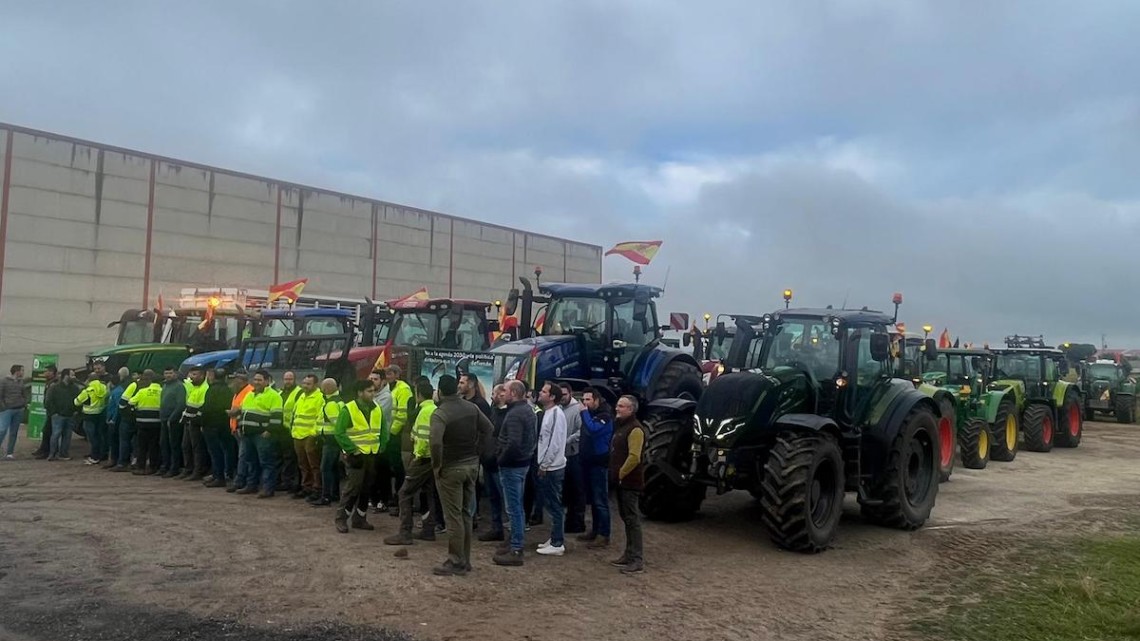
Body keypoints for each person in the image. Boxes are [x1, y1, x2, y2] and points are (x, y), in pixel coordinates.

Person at [429, 374, 494, 576]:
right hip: (471, 466)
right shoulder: (471, 407)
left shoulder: (440, 413)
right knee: (466, 513)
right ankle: (465, 560)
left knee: (453, 516)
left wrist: (437, 465)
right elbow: (489, 428)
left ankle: (456, 560)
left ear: (439, 391)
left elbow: (436, 442)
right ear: (456, 390)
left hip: (451, 468)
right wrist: (477, 451)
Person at [384, 378, 439, 545]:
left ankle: (405, 532)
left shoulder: (424, 411)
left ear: (418, 395)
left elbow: (423, 437)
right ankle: (429, 530)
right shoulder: (434, 409)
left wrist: (418, 456)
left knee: (405, 493)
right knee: (428, 492)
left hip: (423, 458)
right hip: (433, 459)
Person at [492, 380, 538, 567]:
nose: (503, 392)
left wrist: (500, 459)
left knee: (514, 508)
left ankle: (516, 549)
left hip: (512, 466)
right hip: (523, 463)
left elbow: (513, 443)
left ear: (514, 393)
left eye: (506, 390)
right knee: (516, 506)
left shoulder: (515, 414)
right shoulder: (527, 410)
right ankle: (513, 542)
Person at [332, 380, 387, 533]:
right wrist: (352, 449)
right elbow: (339, 432)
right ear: (360, 393)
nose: (373, 394)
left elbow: (383, 430)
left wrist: (381, 446)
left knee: (366, 488)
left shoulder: (377, 409)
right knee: (352, 488)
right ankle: (341, 519)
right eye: (369, 391)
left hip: (371, 454)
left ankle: (360, 518)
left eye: (373, 391)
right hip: (355, 456)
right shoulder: (348, 410)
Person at [230, 370, 284, 498]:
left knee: (266, 462)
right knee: (251, 461)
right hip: (247, 434)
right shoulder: (250, 394)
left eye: (260, 380)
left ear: (267, 381)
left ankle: (267, 489)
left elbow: (277, 417)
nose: (257, 382)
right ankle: (251, 485)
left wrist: (269, 431)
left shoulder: (274, 396)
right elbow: (243, 412)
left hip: (262, 435)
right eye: (255, 380)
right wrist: (238, 423)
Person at [610, 395, 646, 574]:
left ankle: (637, 558)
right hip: (621, 482)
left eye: (622, 406)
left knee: (632, 520)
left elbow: (634, 457)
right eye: (617, 405)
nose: (617, 408)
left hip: (630, 482)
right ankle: (629, 554)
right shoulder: (622, 427)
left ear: (631, 410)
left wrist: (620, 474)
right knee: (626, 518)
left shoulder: (635, 430)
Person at [535, 382, 568, 556]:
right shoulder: (548, 413)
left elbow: (554, 442)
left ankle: (557, 543)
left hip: (552, 467)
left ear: (552, 397)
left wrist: (545, 464)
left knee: (555, 505)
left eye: (544, 391)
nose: (540, 393)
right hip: (547, 465)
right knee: (550, 503)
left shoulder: (556, 414)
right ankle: (555, 536)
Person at [578, 388, 613, 548]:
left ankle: (604, 534)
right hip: (588, 461)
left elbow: (593, 429)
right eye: (583, 400)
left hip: (599, 463)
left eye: (588, 400)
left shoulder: (604, 415)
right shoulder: (592, 414)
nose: (585, 403)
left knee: (601, 500)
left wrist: (584, 413)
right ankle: (595, 530)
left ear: (596, 400)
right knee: (593, 500)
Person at [477, 383, 508, 542]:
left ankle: (510, 535)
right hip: (488, 460)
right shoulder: (493, 411)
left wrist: (499, 457)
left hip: (499, 463)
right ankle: (496, 529)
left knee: (506, 501)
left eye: (495, 393)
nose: (491, 396)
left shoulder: (509, 414)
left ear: (502, 395)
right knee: (493, 498)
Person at [307, 378, 342, 507]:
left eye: (323, 388)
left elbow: (337, 424)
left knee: (325, 468)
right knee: (333, 468)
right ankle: (334, 494)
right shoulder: (338, 401)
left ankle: (326, 496)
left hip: (330, 439)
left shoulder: (331, 404)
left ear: (327, 389)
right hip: (334, 440)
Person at [289, 374, 324, 500]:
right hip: (297, 434)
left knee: (314, 464)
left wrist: (314, 434)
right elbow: (296, 414)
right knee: (302, 464)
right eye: (304, 383)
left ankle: (317, 488)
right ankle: (306, 487)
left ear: (315, 385)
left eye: (308, 384)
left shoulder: (320, 397)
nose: (305, 386)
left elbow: (320, 418)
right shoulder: (302, 396)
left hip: (310, 435)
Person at [201, 368, 236, 488]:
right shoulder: (228, 390)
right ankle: (225, 474)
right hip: (226, 425)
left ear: (213, 377)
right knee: (227, 450)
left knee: (215, 453)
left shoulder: (211, 390)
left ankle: (219, 476)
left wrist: (203, 424)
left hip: (211, 426)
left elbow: (207, 408)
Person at [559, 382, 587, 533]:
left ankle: (577, 523)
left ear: (570, 393)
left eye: (564, 394)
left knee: (577, 490)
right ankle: (570, 522)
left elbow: (580, 431)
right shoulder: (559, 409)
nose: (562, 397)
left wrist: (565, 440)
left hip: (575, 454)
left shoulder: (577, 410)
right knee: (568, 490)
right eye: (560, 394)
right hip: (564, 455)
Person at [128, 370, 164, 475]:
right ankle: (152, 467)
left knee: (142, 446)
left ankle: (141, 467)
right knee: (154, 446)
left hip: (142, 423)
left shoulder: (142, 391)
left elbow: (131, 402)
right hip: (157, 423)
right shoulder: (162, 392)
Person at [226, 372, 254, 493]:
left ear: (241, 381)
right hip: (236, 428)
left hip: (242, 429)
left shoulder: (248, 391)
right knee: (243, 456)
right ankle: (241, 480)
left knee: (243, 456)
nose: (231, 383)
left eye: (234, 380)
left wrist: (234, 416)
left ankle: (240, 481)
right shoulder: (239, 391)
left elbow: (243, 411)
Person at [180, 365, 210, 481]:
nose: (192, 377)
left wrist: (197, 422)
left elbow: (202, 409)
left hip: (196, 424)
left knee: (197, 448)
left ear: (202, 375)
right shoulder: (194, 388)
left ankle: (198, 471)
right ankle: (188, 469)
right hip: (189, 422)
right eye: (191, 374)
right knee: (186, 446)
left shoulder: (204, 389)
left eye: (195, 375)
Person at [45, 368, 80, 461]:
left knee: (67, 436)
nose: (74, 377)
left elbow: (79, 400)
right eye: (72, 375)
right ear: (66, 376)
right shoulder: (54, 387)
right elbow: (48, 401)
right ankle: (52, 454)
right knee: (55, 434)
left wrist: (76, 411)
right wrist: (53, 413)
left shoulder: (75, 388)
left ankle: (63, 454)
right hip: (58, 416)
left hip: (70, 415)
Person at [75, 371, 109, 465]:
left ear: (89, 380)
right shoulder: (104, 387)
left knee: (92, 437)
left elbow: (76, 402)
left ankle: (94, 457)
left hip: (89, 416)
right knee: (99, 436)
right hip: (100, 415)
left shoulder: (87, 391)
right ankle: (101, 454)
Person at [159, 367, 187, 477]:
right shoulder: (165, 385)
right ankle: (165, 466)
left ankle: (174, 468)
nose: (168, 375)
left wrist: (172, 418)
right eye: (166, 373)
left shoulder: (179, 386)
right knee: (164, 444)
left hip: (173, 421)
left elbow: (181, 404)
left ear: (175, 374)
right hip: (164, 419)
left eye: (170, 373)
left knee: (173, 445)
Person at [111, 371, 141, 472]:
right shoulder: (151, 387)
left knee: (124, 440)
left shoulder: (133, 385)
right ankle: (135, 462)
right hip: (140, 418)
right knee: (136, 442)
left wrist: (125, 412)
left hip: (128, 418)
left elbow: (122, 401)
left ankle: (123, 463)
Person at [278, 371, 302, 495]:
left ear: (294, 379)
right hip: (282, 430)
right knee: (284, 457)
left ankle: (289, 482)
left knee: (291, 458)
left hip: (292, 430)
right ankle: (285, 481)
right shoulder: (281, 392)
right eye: (286, 379)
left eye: (290, 379)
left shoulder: (298, 392)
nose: (288, 381)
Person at [0, 364, 28, 460]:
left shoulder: (21, 382)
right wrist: (4, 406)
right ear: (17, 371)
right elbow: (0, 394)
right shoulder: (4, 381)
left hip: (18, 409)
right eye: (22, 370)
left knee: (14, 432)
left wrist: (24, 404)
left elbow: (24, 394)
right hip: (7, 410)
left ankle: (10, 453)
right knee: (2, 430)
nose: (23, 372)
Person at [103, 367, 129, 469]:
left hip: (116, 420)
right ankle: (114, 459)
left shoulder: (117, 392)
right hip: (112, 419)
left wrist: (113, 419)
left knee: (115, 441)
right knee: (112, 440)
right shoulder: (115, 391)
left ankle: (116, 460)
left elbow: (118, 407)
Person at [33, 365, 58, 459]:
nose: (44, 373)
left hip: (53, 411)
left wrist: (51, 409)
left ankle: (47, 451)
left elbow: (52, 399)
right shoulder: (49, 382)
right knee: (46, 431)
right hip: (49, 411)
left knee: (48, 431)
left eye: (46, 371)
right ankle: (43, 449)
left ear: (52, 372)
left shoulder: (54, 383)